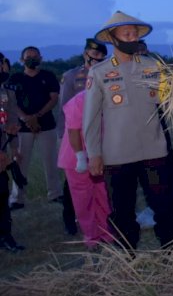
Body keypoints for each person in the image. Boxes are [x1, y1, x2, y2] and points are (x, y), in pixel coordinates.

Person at [84, 10, 173, 249]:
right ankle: (127, 257)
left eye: (134, 33)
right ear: (113, 38)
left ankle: (172, 251)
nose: (132, 37)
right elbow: (92, 119)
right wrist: (93, 153)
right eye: (126, 34)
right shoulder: (99, 73)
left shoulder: (153, 66)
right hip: (118, 155)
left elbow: (167, 101)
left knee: (165, 206)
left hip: (154, 151)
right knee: (122, 211)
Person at [57, 38, 108, 234]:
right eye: (95, 55)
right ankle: (77, 225)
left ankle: (105, 230)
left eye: (102, 56)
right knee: (77, 193)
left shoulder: (106, 75)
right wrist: (68, 142)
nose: (98, 59)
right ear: (86, 53)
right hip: (75, 136)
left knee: (102, 192)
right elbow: (65, 108)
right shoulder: (72, 76)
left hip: (99, 137)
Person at [6, 46, 62, 209]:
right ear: (22, 60)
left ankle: (55, 193)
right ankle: (17, 198)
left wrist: (36, 116)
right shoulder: (15, 79)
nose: (32, 59)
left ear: (41, 58)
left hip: (46, 125)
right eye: (28, 56)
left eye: (35, 56)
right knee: (20, 162)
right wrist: (25, 118)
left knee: (50, 161)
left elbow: (54, 99)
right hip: (21, 128)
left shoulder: (48, 76)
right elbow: (11, 102)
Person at [57, 90, 113, 248]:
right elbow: (73, 130)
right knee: (83, 200)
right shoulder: (79, 100)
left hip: (101, 154)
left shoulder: (113, 95)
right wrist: (81, 157)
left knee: (103, 195)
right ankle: (92, 237)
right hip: (76, 157)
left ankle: (108, 233)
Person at [0, 68, 24, 252]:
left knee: (2, 194)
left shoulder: (6, 91)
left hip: (3, 148)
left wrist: (15, 148)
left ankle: (5, 236)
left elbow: (11, 121)